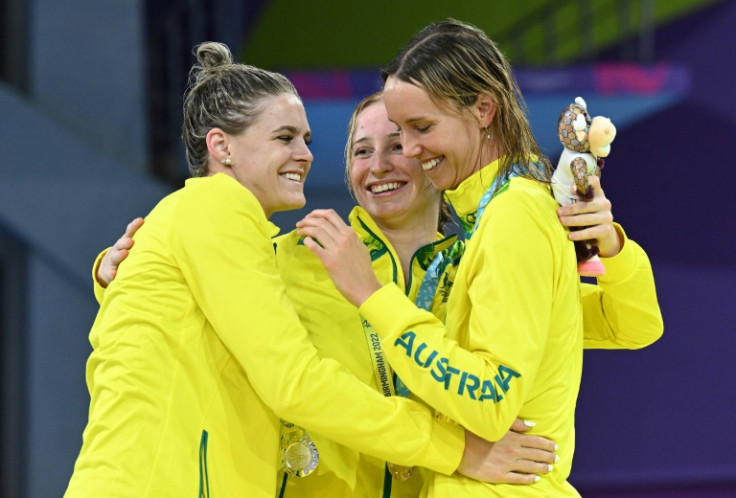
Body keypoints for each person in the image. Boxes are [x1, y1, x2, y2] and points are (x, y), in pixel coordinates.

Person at [64, 42, 530, 498]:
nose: (306, 155)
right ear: (221, 146)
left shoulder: (470, 261)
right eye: (285, 138)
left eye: (307, 140)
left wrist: (604, 251)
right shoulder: (234, 220)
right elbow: (294, 380)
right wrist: (455, 450)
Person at [296, 19, 663, 497]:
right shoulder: (495, 221)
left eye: (420, 127)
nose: (406, 150)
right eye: (377, 142)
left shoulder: (513, 214)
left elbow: (492, 399)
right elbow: (625, 325)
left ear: (484, 109)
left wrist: (372, 296)